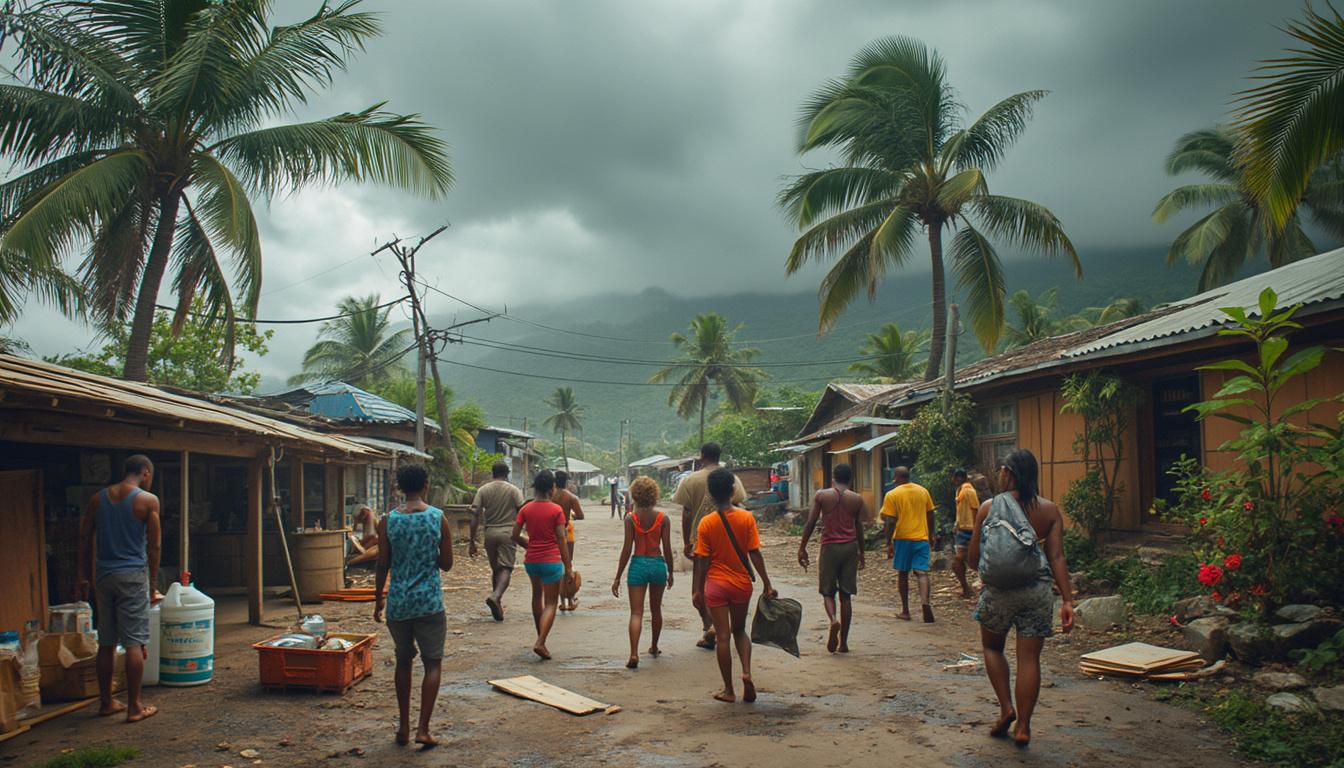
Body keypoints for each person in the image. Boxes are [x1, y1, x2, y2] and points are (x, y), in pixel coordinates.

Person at [967, 449, 1074, 748]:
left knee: (992, 647)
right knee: (1029, 658)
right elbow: (1056, 557)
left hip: (997, 593)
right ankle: (1024, 726)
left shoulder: (988, 508)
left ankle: (1006, 708)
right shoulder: (1050, 511)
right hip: (1036, 592)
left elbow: (974, 561)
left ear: (1008, 473)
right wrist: (1067, 600)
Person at [76, 454, 161, 723]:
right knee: (134, 641)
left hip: (104, 575)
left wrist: (83, 575)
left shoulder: (98, 499)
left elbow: (85, 537)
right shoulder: (148, 501)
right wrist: (153, 586)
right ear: (145, 473)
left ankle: (106, 702)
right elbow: (155, 546)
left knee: (107, 642)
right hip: (133, 576)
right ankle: (135, 707)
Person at [374, 463, 453, 748]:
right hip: (430, 602)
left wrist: (377, 600)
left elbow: (383, 563)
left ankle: (403, 728)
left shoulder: (387, 521)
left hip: (399, 604)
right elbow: (446, 564)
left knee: (403, 661)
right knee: (433, 664)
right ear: (426, 485)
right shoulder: (437, 518)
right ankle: (424, 728)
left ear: (399, 487)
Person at [693, 468, 775, 703]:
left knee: (722, 637)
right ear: (732, 490)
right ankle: (747, 673)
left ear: (710, 493)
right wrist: (767, 584)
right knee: (740, 630)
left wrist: (698, 589)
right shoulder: (746, 518)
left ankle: (729, 690)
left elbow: (702, 560)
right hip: (741, 585)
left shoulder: (706, 523)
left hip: (716, 585)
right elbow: (755, 553)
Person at [672, 443, 746, 649]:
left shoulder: (690, 480)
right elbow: (738, 506)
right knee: (727, 584)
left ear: (702, 456)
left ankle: (710, 627)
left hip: (701, 543)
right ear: (719, 455)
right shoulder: (732, 479)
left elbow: (686, 513)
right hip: (728, 543)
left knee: (700, 589)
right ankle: (716, 628)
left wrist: (687, 541)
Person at [797, 463, 866, 653]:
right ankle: (843, 643)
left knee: (828, 592)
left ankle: (833, 619)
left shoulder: (822, 495)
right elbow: (859, 527)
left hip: (829, 547)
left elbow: (811, 522)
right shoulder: (857, 499)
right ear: (850, 478)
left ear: (833, 478)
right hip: (850, 547)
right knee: (846, 595)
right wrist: (862, 552)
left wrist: (802, 547)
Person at [611, 476, 675, 669]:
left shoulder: (631, 518)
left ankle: (633, 654)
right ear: (654, 494)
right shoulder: (663, 518)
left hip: (637, 565)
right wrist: (670, 572)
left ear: (635, 495)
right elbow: (668, 548)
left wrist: (617, 577)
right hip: (657, 565)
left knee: (636, 613)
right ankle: (654, 646)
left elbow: (626, 549)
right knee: (656, 610)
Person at [513, 470, 572, 660]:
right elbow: (562, 540)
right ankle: (540, 641)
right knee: (551, 603)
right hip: (551, 561)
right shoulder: (556, 510)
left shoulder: (526, 509)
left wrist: (529, 545)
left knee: (536, 596)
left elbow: (514, 535)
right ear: (551, 488)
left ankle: (542, 638)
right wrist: (568, 567)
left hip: (531, 562)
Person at [469, 461, 526, 621]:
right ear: (507, 473)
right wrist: (522, 533)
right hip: (509, 531)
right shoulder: (513, 490)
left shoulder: (483, 490)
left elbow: (474, 515)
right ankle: (496, 596)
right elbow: (522, 511)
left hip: (490, 533)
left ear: (492, 473)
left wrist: (472, 541)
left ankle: (497, 603)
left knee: (496, 569)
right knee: (506, 568)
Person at [880, 466, 937, 623]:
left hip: (903, 538)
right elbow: (930, 514)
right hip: (922, 537)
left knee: (903, 574)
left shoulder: (892, 494)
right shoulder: (923, 491)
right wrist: (931, 535)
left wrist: (888, 542)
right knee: (922, 572)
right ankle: (925, 603)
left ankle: (905, 610)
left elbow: (890, 521)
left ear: (897, 478)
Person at [551, 471, 585, 611]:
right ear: (566, 482)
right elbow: (581, 516)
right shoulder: (571, 497)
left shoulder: (549, 496)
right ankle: (570, 600)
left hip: (551, 533)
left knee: (557, 566)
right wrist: (571, 516)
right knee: (567, 565)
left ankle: (561, 601)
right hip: (565, 532)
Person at [951, 469, 980, 598]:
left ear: (958, 478)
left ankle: (969, 588)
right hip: (962, 529)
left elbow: (975, 509)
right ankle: (965, 588)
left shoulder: (968, 491)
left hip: (970, 530)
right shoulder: (960, 491)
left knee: (963, 559)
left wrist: (976, 530)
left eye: (953, 478)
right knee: (960, 560)